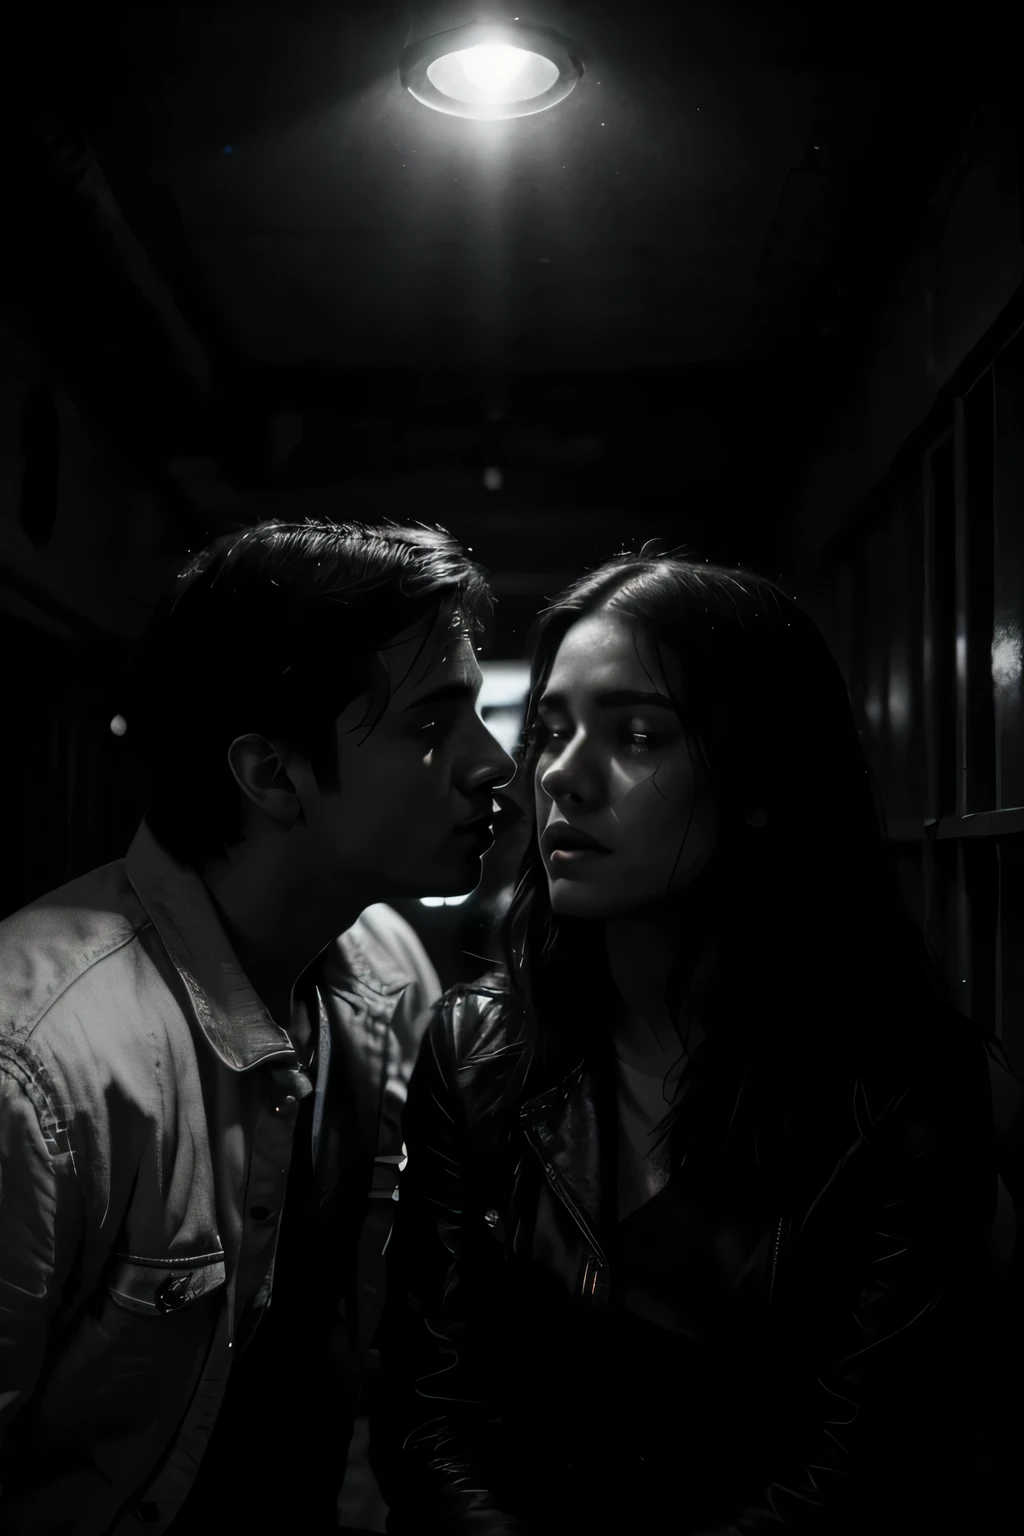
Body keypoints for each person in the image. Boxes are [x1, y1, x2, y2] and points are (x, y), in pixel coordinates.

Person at [369, 547, 1000, 1535]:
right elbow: (429, 1411)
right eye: (551, 730)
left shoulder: (900, 1085)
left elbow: (868, 1465)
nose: (561, 778)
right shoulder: (477, 1050)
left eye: (637, 734)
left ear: (756, 778)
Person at [0, 518, 513, 1536]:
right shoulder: (40, 1061)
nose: (492, 763)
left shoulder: (385, 971)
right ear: (272, 774)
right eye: (428, 726)